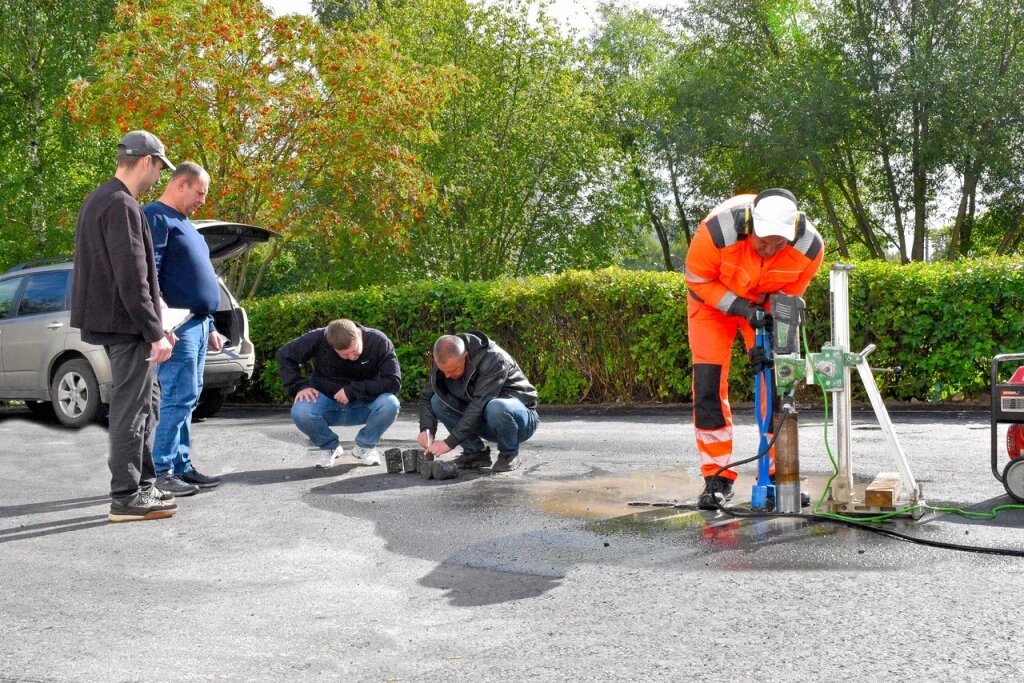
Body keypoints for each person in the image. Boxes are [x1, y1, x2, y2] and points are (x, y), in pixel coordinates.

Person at [685, 188, 824, 509]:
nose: (770, 250)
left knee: (777, 382)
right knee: (708, 384)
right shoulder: (716, 233)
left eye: (779, 244)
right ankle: (716, 477)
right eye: (763, 242)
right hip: (711, 303)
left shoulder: (809, 247)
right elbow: (698, 281)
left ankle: (779, 473)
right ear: (749, 226)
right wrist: (742, 308)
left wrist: (768, 340)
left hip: (764, 304)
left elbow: (788, 298)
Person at [70, 130, 178, 523]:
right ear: (147, 161)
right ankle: (126, 497)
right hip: (126, 326)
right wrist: (155, 331)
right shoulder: (121, 204)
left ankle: (143, 486)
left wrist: (158, 314)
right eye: (160, 168)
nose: (159, 177)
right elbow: (131, 277)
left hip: (120, 322)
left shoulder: (101, 199)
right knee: (132, 410)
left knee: (148, 403)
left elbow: (132, 273)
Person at [143, 162, 223, 497]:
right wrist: (160, 325)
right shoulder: (156, 217)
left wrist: (211, 324)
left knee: (189, 397)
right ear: (181, 184)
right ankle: (162, 471)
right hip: (178, 326)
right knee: (177, 396)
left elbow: (195, 277)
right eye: (200, 193)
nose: (202, 200)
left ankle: (182, 465)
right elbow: (149, 272)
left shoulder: (186, 224)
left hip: (199, 324)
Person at [277, 319, 401, 468]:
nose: (351, 357)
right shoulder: (318, 338)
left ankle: (365, 446)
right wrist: (299, 386)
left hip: (364, 401)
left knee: (390, 404)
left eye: (354, 350)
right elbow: (285, 355)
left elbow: (393, 381)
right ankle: (329, 447)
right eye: (344, 354)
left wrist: (352, 390)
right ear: (331, 346)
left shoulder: (379, 341)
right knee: (300, 411)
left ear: (358, 335)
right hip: (326, 401)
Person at [417, 332, 539, 473]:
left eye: (453, 370)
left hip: (520, 420)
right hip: (484, 419)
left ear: (465, 356)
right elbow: (426, 397)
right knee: (437, 401)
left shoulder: (494, 358)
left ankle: (509, 454)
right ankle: (475, 453)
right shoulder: (446, 359)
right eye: (444, 371)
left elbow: (479, 404)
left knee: (496, 407)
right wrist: (426, 429)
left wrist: (450, 442)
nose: (447, 375)